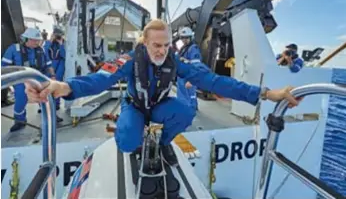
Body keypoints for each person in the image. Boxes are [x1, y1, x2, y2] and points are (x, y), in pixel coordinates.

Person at [25, 19, 300, 166]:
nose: (161, 51)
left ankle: (163, 142)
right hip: (134, 106)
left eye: (166, 45)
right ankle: (137, 142)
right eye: (156, 45)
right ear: (144, 43)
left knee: (185, 111)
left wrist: (266, 93)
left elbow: (217, 82)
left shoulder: (176, 62)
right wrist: (64, 87)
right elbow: (99, 79)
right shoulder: (128, 60)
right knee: (128, 141)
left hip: (158, 106)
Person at [1, 27, 62, 132]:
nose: (37, 42)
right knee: (21, 99)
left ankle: (51, 116)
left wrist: (52, 76)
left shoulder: (41, 50)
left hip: (39, 77)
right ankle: (19, 121)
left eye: (38, 40)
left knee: (47, 96)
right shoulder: (13, 49)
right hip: (21, 79)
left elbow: (48, 65)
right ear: (25, 39)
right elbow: (4, 66)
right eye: (34, 40)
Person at [176, 27, 202, 112]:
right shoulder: (184, 48)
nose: (184, 40)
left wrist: (185, 61)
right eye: (182, 38)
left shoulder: (193, 48)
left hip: (188, 76)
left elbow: (196, 64)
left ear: (191, 37)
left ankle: (186, 110)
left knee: (188, 94)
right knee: (187, 94)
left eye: (186, 37)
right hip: (183, 76)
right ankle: (191, 108)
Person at [44, 27, 66, 111]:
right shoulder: (47, 43)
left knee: (57, 84)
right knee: (46, 85)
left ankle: (56, 104)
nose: (57, 37)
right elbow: (44, 52)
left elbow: (64, 55)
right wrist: (50, 41)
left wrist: (61, 44)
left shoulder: (63, 43)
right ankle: (44, 104)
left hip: (59, 64)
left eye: (59, 35)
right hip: (48, 65)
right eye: (56, 35)